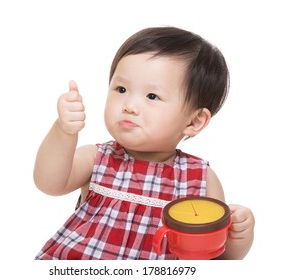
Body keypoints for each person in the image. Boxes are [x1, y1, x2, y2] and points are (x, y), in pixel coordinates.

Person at [34, 26, 255, 260]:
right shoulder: (97, 158)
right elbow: (49, 183)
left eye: (152, 96)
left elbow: (213, 255)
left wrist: (238, 238)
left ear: (194, 120)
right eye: (121, 89)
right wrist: (63, 131)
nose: (129, 105)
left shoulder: (200, 178)